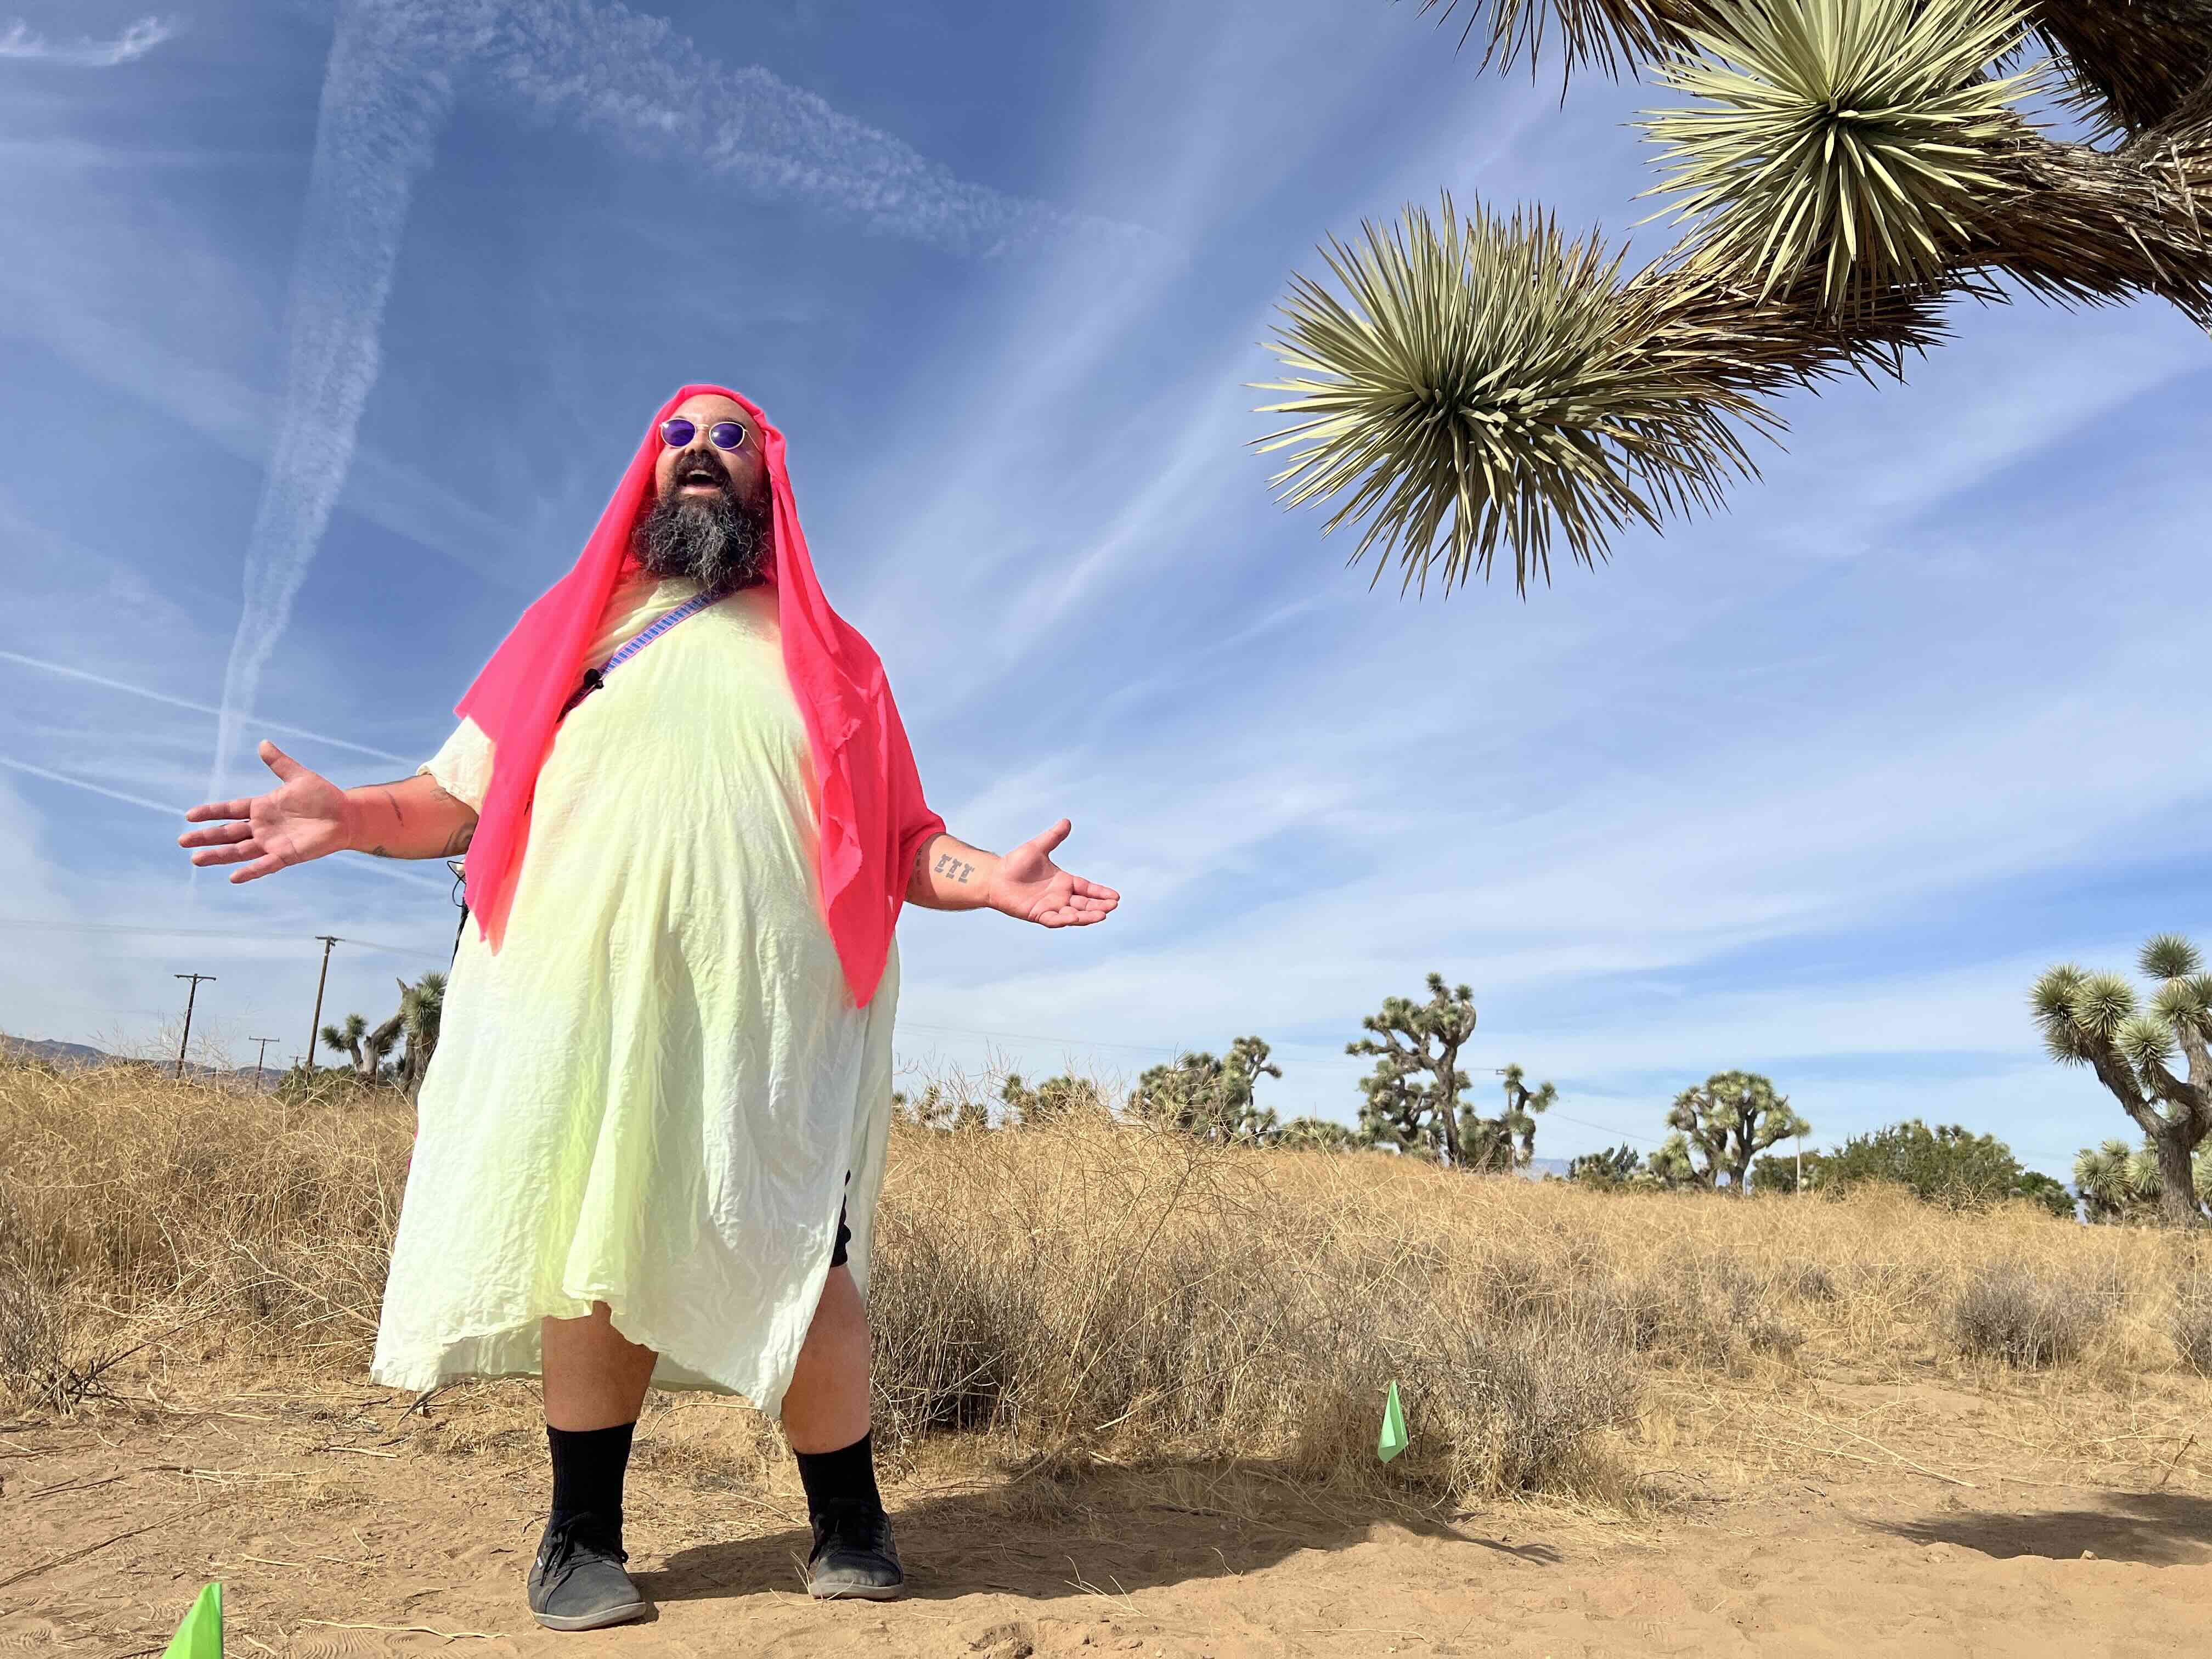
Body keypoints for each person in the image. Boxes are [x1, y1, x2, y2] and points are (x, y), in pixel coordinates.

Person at [178, 385, 1120, 1630]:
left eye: (729, 438)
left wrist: (988, 877)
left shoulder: (834, 658)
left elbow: (901, 845)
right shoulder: (572, 630)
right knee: (598, 1259)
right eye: (678, 434)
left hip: (767, 1024)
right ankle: (579, 1541)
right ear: (646, 467)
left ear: (766, 479)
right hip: (577, 1010)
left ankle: (848, 1520)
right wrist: (352, 817)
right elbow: (451, 800)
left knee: (806, 1256)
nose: (699, 453)